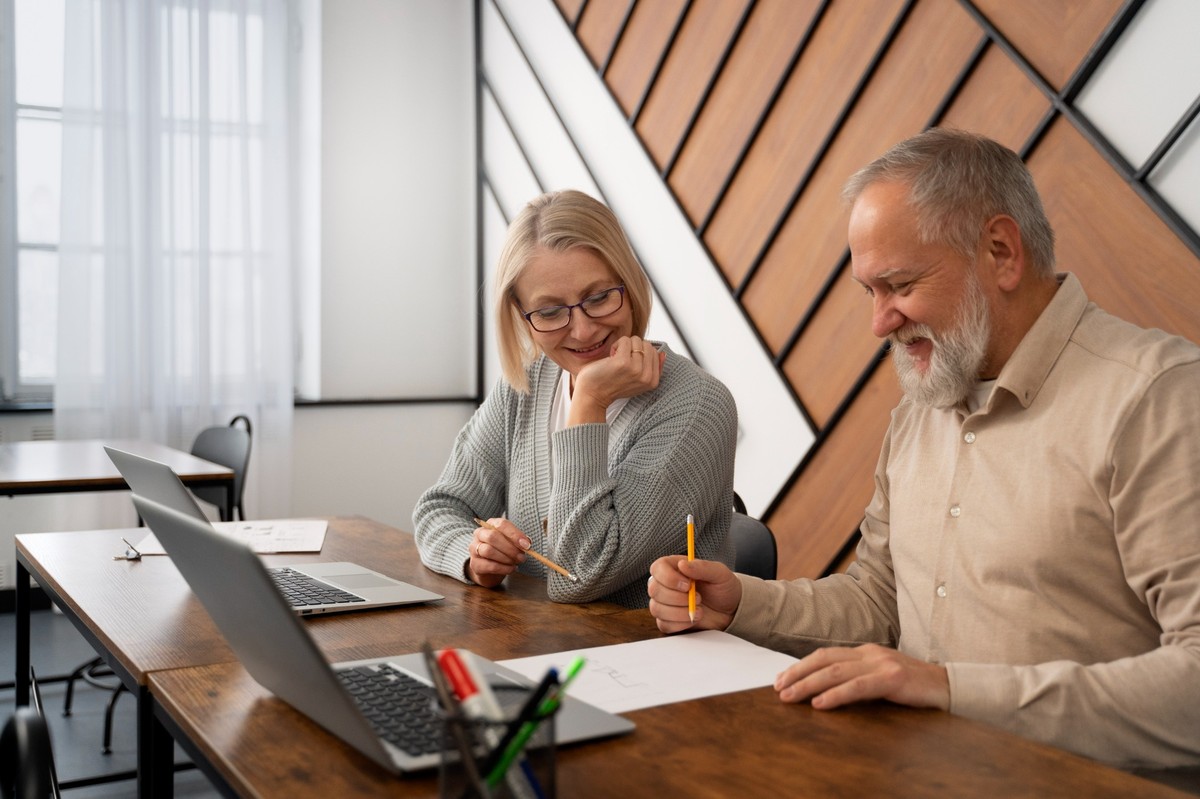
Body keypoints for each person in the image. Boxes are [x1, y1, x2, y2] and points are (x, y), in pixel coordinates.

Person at [647, 129, 1200, 769]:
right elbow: (881, 603)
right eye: (869, 292)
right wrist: (742, 603)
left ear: (1001, 252)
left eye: (900, 285)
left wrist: (947, 690)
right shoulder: (920, 409)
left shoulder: (1158, 399)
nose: (879, 322)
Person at [415, 189, 737, 608]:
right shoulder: (526, 386)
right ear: (520, 315)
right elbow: (440, 507)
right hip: (537, 646)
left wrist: (589, 402)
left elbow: (580, 575)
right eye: (550, 312)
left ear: (631, 283)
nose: (583, 331)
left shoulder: (696, 406)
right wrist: (474, 555)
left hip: (650, 657)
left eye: (600, 297)